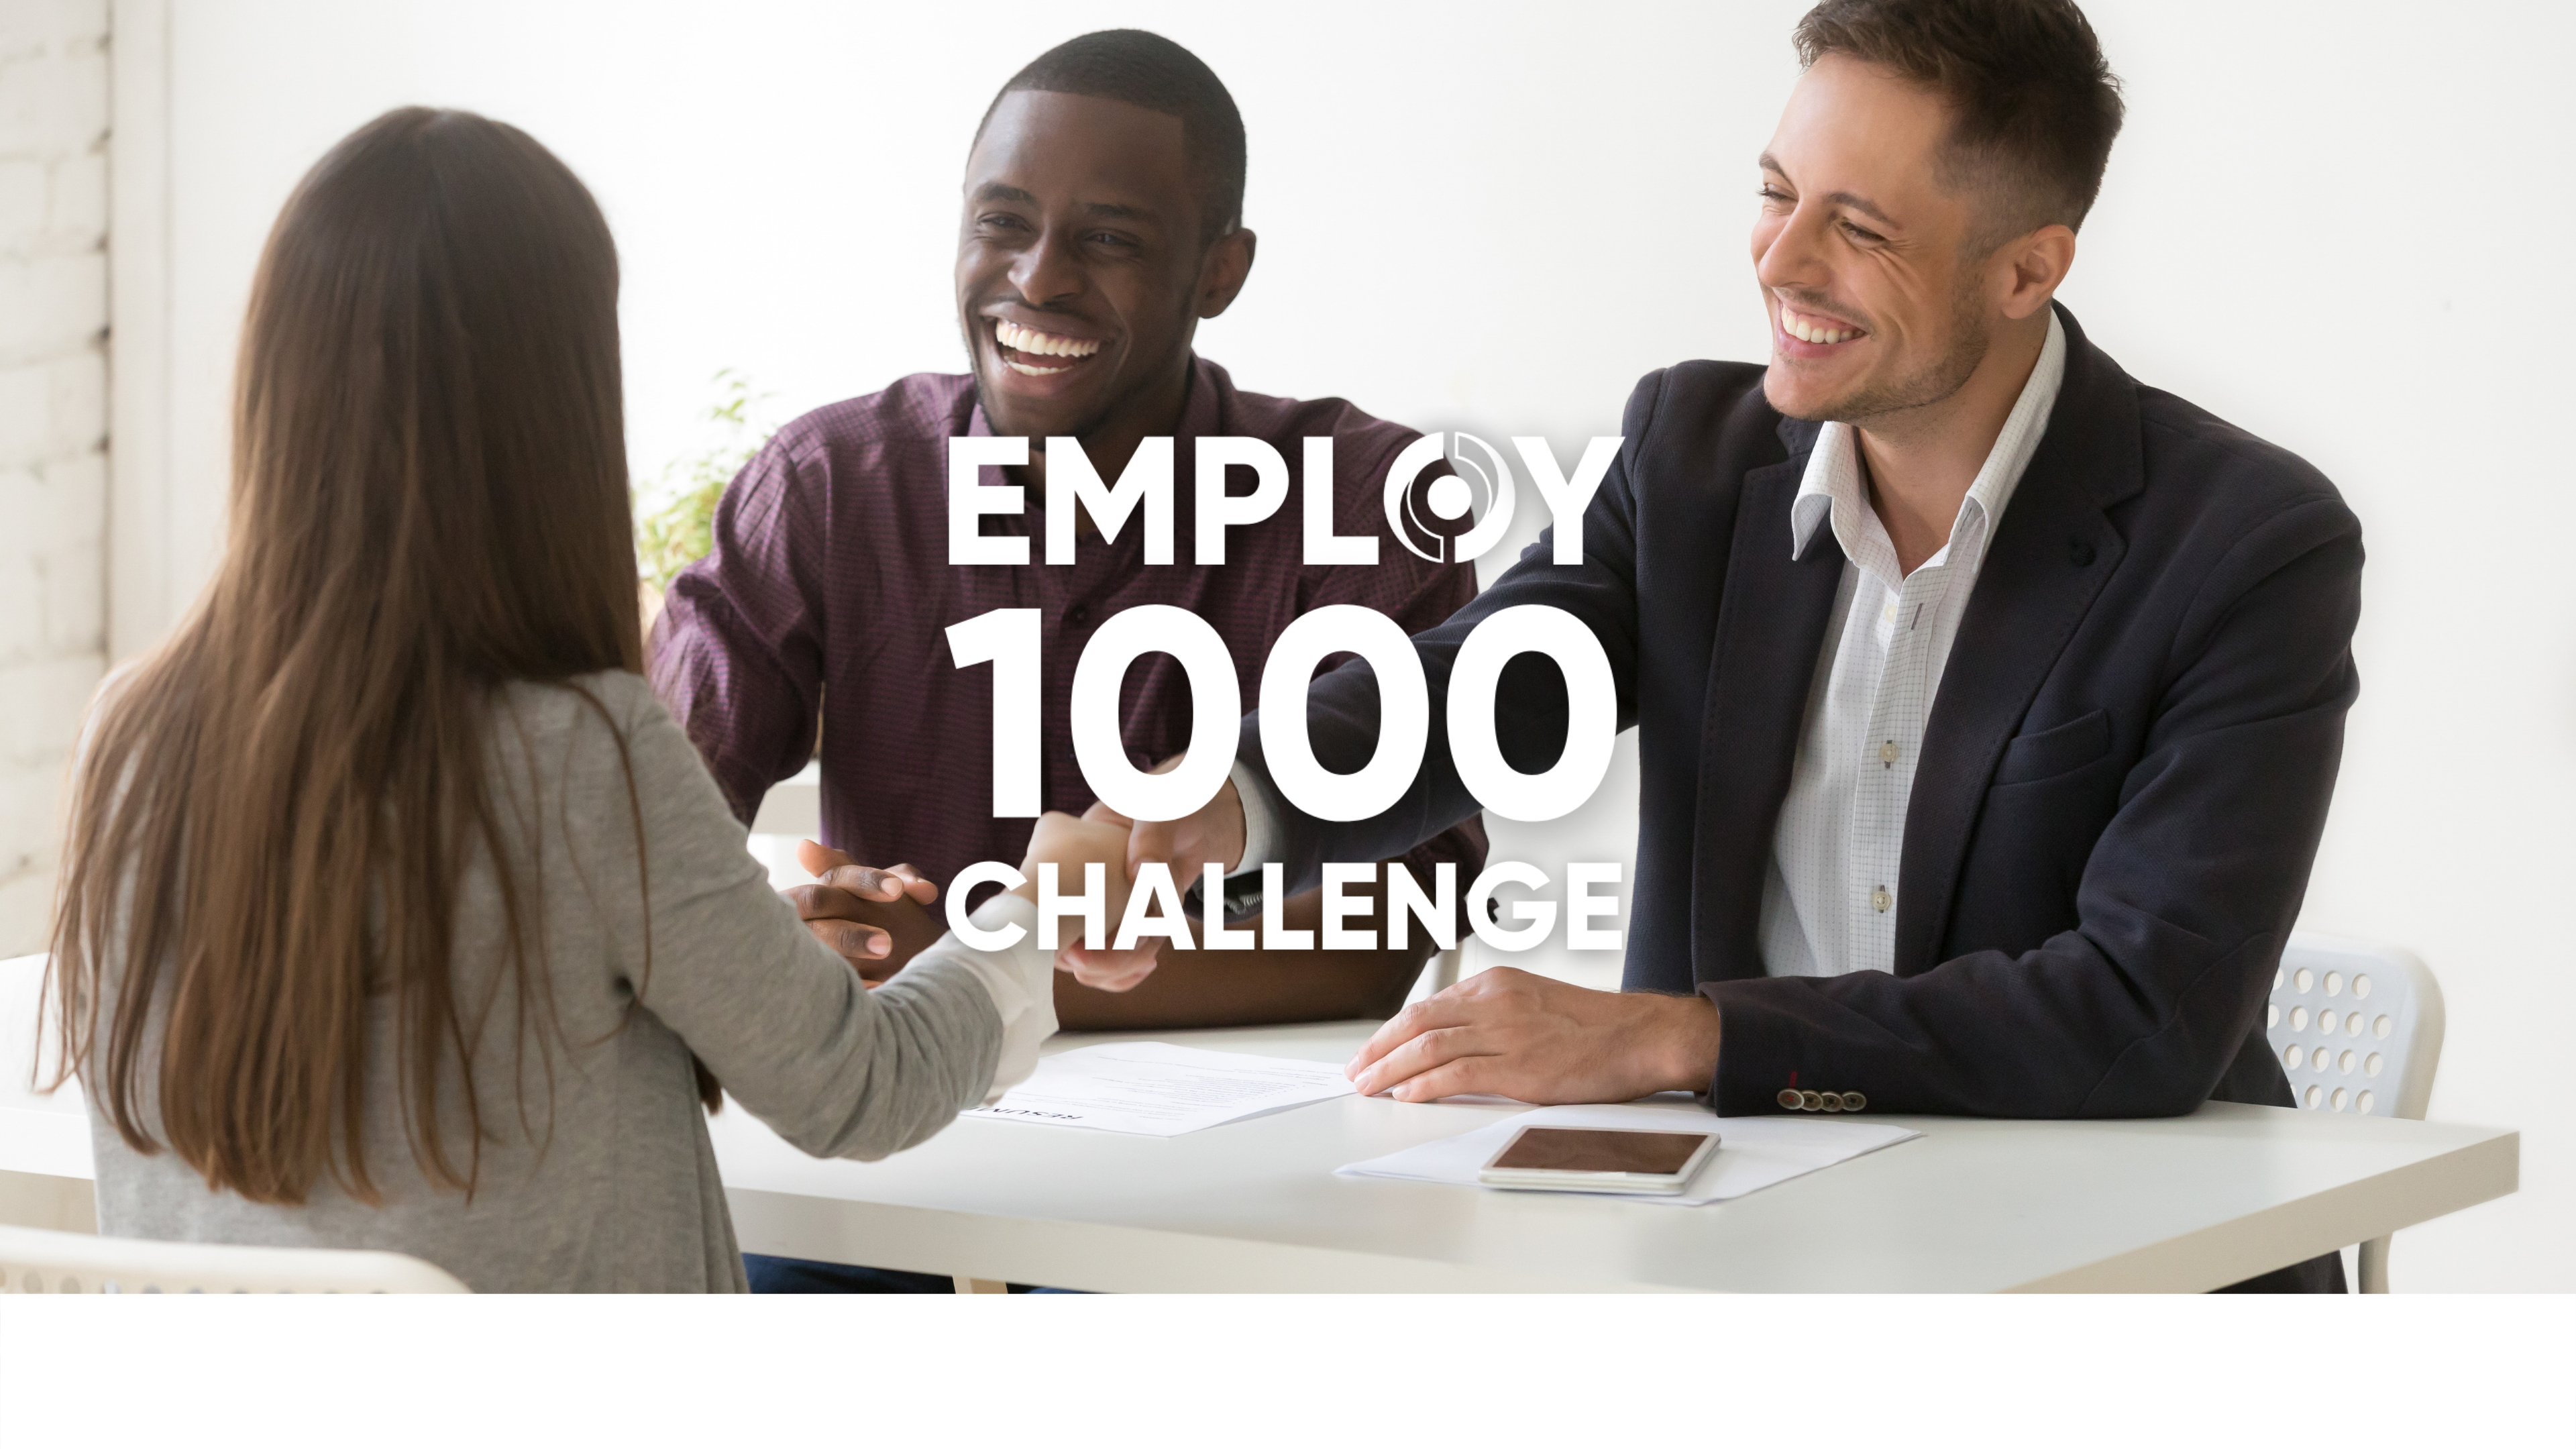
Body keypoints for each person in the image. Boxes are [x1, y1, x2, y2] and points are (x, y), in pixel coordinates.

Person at [1127, 0, 2361, 1293]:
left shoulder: (2243, 546)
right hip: (1743, 1261)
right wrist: (1218, 814)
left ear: (2025, 270)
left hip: (2111, 1279)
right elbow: (1481, 690)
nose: (1781, 260)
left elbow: (2136, 1012)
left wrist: (1683, 1038)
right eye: (1776, 193)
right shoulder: (1690, 459)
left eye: (1860, 228)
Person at [44, 108, 1133, 1293]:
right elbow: (861, 1091)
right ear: (552, 404)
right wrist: (1034, 909)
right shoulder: (581, 753)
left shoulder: (130, 738)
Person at [647, 30, 1486, 1291]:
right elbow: (643, 835)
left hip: (1218, 1192)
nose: (1036, 281)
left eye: (1107, 239)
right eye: (1002, 223)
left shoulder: (1366, 498)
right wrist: (788, 946)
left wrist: (977, 964)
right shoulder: (831, 481)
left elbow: (1391, 918)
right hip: (887, 1173)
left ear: (1221, 271)